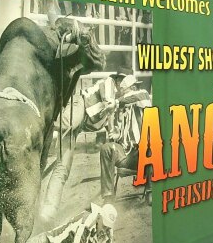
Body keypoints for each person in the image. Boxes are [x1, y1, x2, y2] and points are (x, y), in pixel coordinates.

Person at [41, 70, 147, 220]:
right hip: (80, 106)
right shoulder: (108, 83)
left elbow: (112, 118)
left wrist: (113, 132)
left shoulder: (123, 105)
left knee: (62, 168)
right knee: (69, 124)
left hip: (81, 126)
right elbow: (107, 101)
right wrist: (114, 108)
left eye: (125, 86)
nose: (122, 88)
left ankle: (48, 210)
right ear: (118, 81)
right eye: (123, 85)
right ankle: (46, 127)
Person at [99, 88, 151, 203]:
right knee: (106, 148)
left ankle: (150, 191)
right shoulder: (121, 112)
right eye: (121, 90)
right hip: (126, 155)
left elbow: (140, 95)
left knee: (150, 144)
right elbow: (118, 135)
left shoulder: (143, 98)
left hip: (142, 156)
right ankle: (108, 196)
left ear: (132, 89)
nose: (122, 92)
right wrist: (117, 134)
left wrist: (117, 102)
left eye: (124, 90)